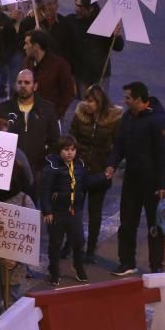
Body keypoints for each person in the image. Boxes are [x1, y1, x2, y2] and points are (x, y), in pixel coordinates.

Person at [107, 81, 165, 276]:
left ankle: (156, 267)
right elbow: (118, 145)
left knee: (155, 226)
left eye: (128, 97)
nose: (124, 101)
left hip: (152, 184)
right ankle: (127, 262)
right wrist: (111, 164)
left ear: (138, 99)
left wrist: (163, 185)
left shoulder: (158, 122)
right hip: (132, 180)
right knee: (127, 223)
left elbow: (164, 156)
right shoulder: (127, 118)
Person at [41, 136, 109, 285]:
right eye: (66, 150)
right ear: (59, 151)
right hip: (57, 212)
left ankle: (77, 265)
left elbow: (86, 183)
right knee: (55, 243)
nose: (70, 153)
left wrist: (103, 177)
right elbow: (45, 190)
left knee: (78, 241)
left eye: (73, 149)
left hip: (74, 211)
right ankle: (54, 270)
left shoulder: (80, 166)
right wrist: (47, 211)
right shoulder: (51, 168)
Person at [70, 84, 122, 263]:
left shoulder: (114, 119)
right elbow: (72, 137)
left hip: (100, 171)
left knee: (94, 213)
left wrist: (111, 166)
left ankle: (90, 250)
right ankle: (71, 244)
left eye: (91, 101)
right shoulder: (80, 114)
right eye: (86, 100)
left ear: (99, 102)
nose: (87, 104)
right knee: (74, 210)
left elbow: (118, 145)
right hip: (80, 170)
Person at [0, 69, 61, 180]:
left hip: (37, 171)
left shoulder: (47, 109)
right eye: (19, 82)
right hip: (9, 171)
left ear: (35, 86)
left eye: (27, 82)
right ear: (15, 85)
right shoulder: (3, 108)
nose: (23, 86)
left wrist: (45, 166)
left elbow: (55, 141)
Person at [23, 27, 76, 119]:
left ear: (36, 46)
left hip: (51, 119)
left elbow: (69, 92)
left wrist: (57, 114)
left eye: (27, 44)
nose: (24, 47)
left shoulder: (60, 65)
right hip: (29, 115)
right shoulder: (27, 62)